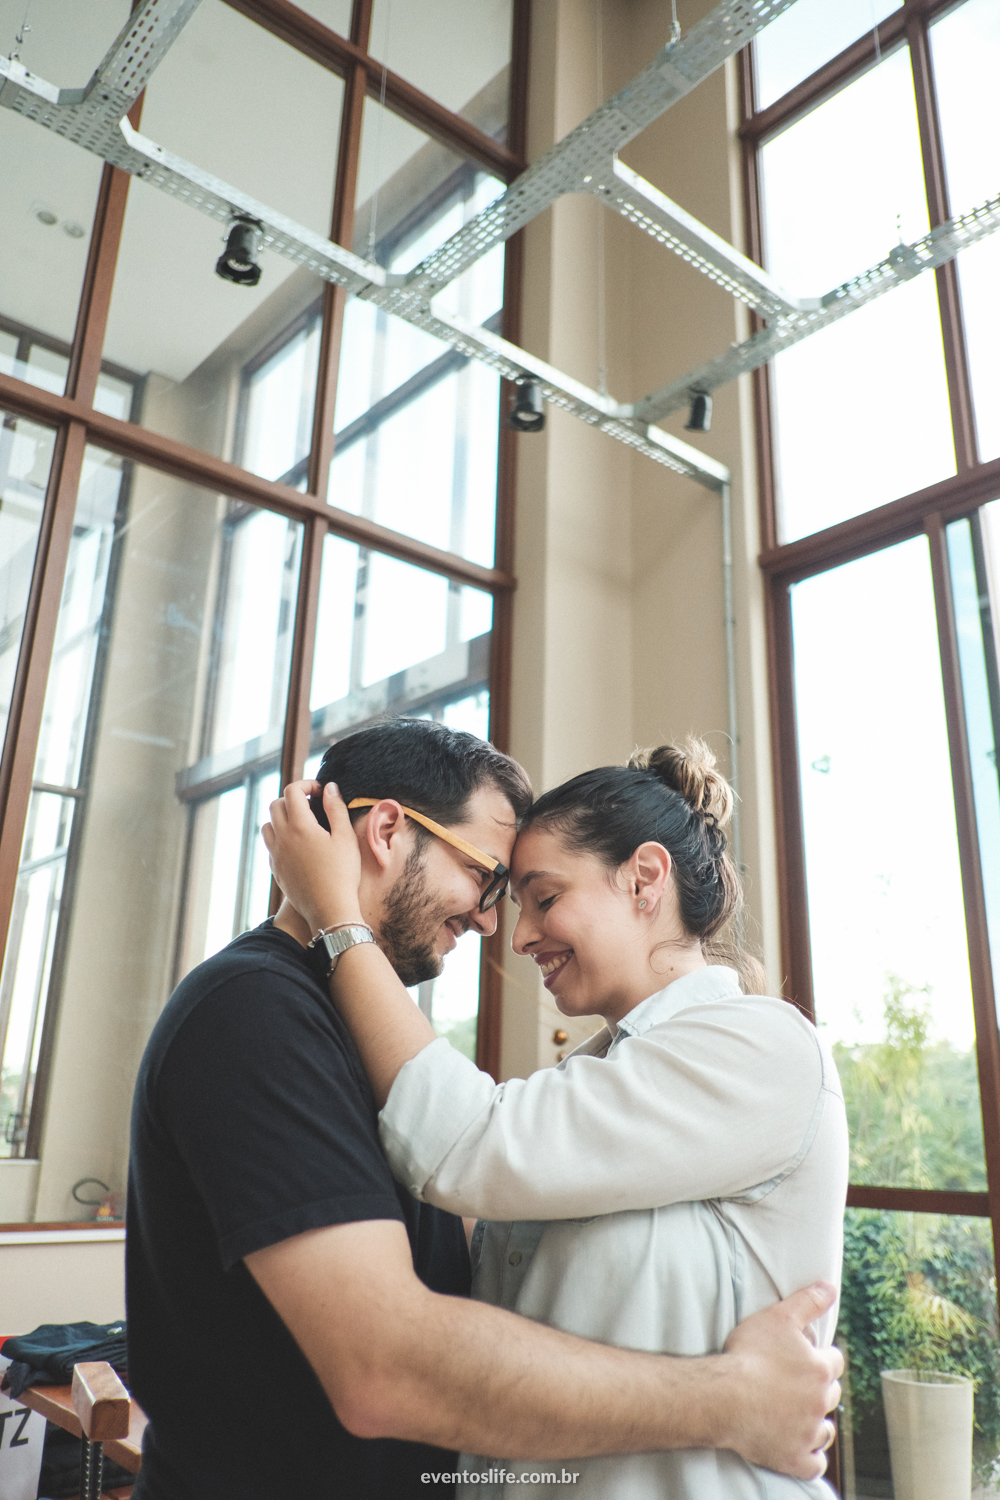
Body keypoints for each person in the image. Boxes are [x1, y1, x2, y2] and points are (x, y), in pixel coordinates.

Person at [127, 718, 842, 1499]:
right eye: (491, 880)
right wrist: (731, 1399)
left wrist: (340, 923)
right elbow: (396, 1349)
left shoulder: (751, 1046)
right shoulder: (255, 1010)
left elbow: (468, 1162)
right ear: (390, 830)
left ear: (644, 880)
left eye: (536, 895)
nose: (501, 925)